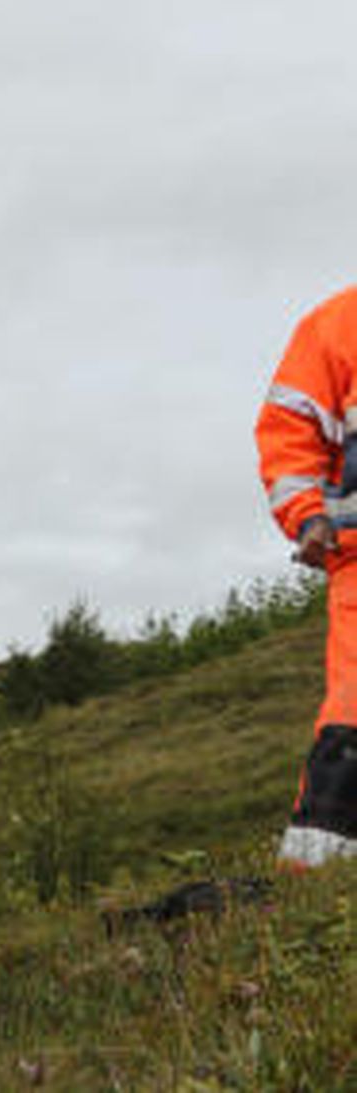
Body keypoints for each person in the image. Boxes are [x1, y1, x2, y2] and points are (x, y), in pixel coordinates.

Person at [256, 285, 357, 869]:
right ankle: (320, 868)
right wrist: (307, 516)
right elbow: (288, 429)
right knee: (352, 715)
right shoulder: (336, 325)